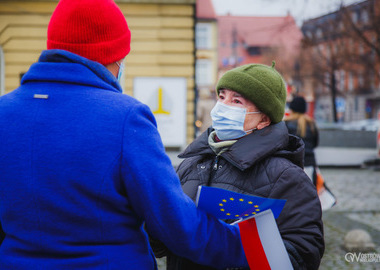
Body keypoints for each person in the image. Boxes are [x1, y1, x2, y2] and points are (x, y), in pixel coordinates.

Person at [0, 0, 252, 269]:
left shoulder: (5, 111)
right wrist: (249, 247)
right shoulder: (125, 117)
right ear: (113, 55)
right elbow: (176, 223)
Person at [158, 63, 324, 270]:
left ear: (263, 120)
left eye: (236, 100)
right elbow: (161, 243)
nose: (223, 106)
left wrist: (228, 246)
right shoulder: (191, 163)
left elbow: (303, 255)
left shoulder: (287, 177)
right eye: (222, 96)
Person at [284, 96, 319, 184]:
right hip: (309, 164)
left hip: (291, 165)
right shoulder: (311, 124)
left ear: (292, 108)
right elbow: (315, 143)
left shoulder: (286, 123)